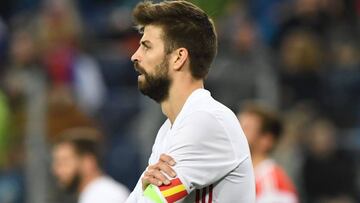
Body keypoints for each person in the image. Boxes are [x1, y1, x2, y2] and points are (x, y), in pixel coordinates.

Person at [126, 1, 255, 202]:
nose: (135, 56)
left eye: (146, 47)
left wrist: (147, 194)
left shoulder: (205, 121)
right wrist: (145, 190)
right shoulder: (168, 130)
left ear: (179, 57)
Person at [237, 103, 298, 203]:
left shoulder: (271, 183)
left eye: (246, 128)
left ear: (266, 140)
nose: (237, 133)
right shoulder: (241, 175)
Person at [52, 127, 129, 203]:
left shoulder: (103, 196)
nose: (56, 171)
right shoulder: (96, 193)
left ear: (88, 162)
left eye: (64, 162)